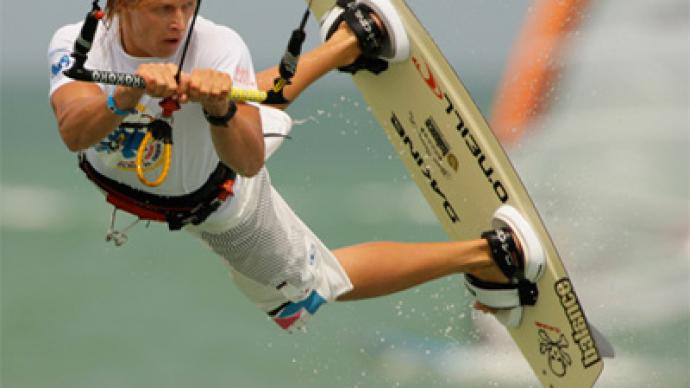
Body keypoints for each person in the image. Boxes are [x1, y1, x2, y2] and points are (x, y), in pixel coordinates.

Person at [48, 0, 544, 332]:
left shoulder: (215, 46)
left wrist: (219, 108)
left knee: (309, 289)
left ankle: (488, 257)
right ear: (116, 8)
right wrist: (130, 89)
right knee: (260, 97)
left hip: (223, 202)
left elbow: (246, 161)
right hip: (160, 168)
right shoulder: (77, 42)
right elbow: (73, 130)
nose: (179, 22)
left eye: (188, 4)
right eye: (162, 9)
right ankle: (353, 40)